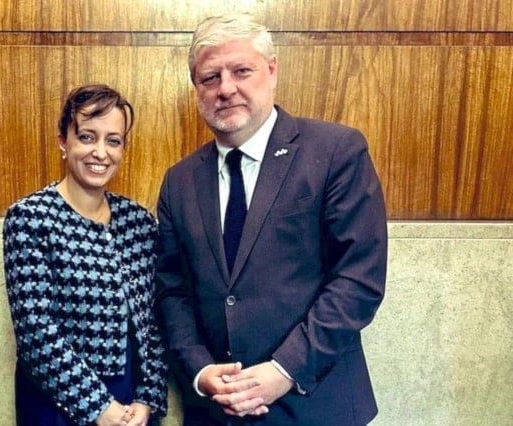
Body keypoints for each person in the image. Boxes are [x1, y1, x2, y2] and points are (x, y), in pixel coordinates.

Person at [154, 14, 387, 426]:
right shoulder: (179, 181)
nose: (226, 88)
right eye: (210, 78)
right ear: (196, 89)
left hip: (317, 405)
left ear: (272, 70)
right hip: (215, 412)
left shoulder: (336, 152)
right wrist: (201, 371)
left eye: (241, 70)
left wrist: (284, 369)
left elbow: (358, 280)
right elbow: (172, 292)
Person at [3, 84, 168, 426]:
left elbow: (154, 323)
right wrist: (98, 407)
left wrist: (147, 398)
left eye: (113, 140)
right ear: (64, 141)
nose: (100, 152)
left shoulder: (138, 221)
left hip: (130, 405)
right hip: (55, 401)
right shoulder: (30, 217)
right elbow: (36, 332)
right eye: (87, 137)